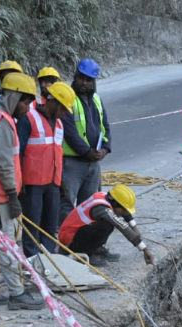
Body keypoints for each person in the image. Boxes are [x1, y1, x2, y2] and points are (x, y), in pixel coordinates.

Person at [0, 72, 45, 310]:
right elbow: (4, 165)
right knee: (8, 245)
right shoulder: (2, 123)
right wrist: (13, 197)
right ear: (14, 97)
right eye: (25, 102)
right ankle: (17, 293)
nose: (27, 109)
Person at [16, 81, 75, 257]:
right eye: (63, 108)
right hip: (32, 184)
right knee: (32, 225)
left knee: (50, 226)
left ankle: (48, 259)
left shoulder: (59, 124)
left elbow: (58, 154)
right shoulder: (29, 118)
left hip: (53, 184)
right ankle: (33, 261)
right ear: (53, 102)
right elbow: (17, 151)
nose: (64, 114)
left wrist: (61, 181)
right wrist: (19, 181)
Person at [60, 58, 111, 227]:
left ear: (93, 81)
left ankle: (86, 245)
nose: (83, 82)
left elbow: (104, 125)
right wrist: (86, 151)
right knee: (66, 204)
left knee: (90, 205)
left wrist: (105, 148)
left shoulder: (96, 99)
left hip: (93, 162)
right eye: (81, 77)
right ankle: (66, 245)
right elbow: (68, 130)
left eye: (88, 79)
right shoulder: (68, 98)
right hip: (72, 162)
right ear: (75, 76)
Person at [58, 185, 154, 267]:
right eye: (123, 209)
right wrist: (145, 249)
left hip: (75, 235)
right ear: (116, 203)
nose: (124, 212)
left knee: (105, 223)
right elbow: (122, 226)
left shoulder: (104, 197)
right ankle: (86, 254)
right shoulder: (101, 209)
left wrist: (134, 226)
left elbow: (123, 211)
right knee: (106, 225)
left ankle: (95, 249)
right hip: (69, 242)